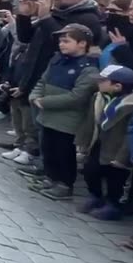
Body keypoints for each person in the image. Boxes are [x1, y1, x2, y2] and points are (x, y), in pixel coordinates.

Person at [29, 23, 99, 200]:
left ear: (82, 43)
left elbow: (77, 97)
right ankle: (51, 177)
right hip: (48, 116)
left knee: (63, 152)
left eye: (66, 41)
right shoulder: (57, 60)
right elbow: (43, 81)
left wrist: (45, 101)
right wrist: (35, 95)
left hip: (67, 120)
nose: (61, 44)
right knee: (48, 148)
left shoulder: (88, 68)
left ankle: (65, 184)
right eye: (60, 41)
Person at [81, 65, 133, 220]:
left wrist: (123, 157)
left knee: (117, 181)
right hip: (100, 144)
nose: (98, 83)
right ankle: (95, 195)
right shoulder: (100, 98)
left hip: (118, 149)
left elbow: (131, 133)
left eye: (103, 81)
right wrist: (84, 141)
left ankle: (114, 205)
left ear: (117, 86)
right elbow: (90, 122)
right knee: (90, 171)